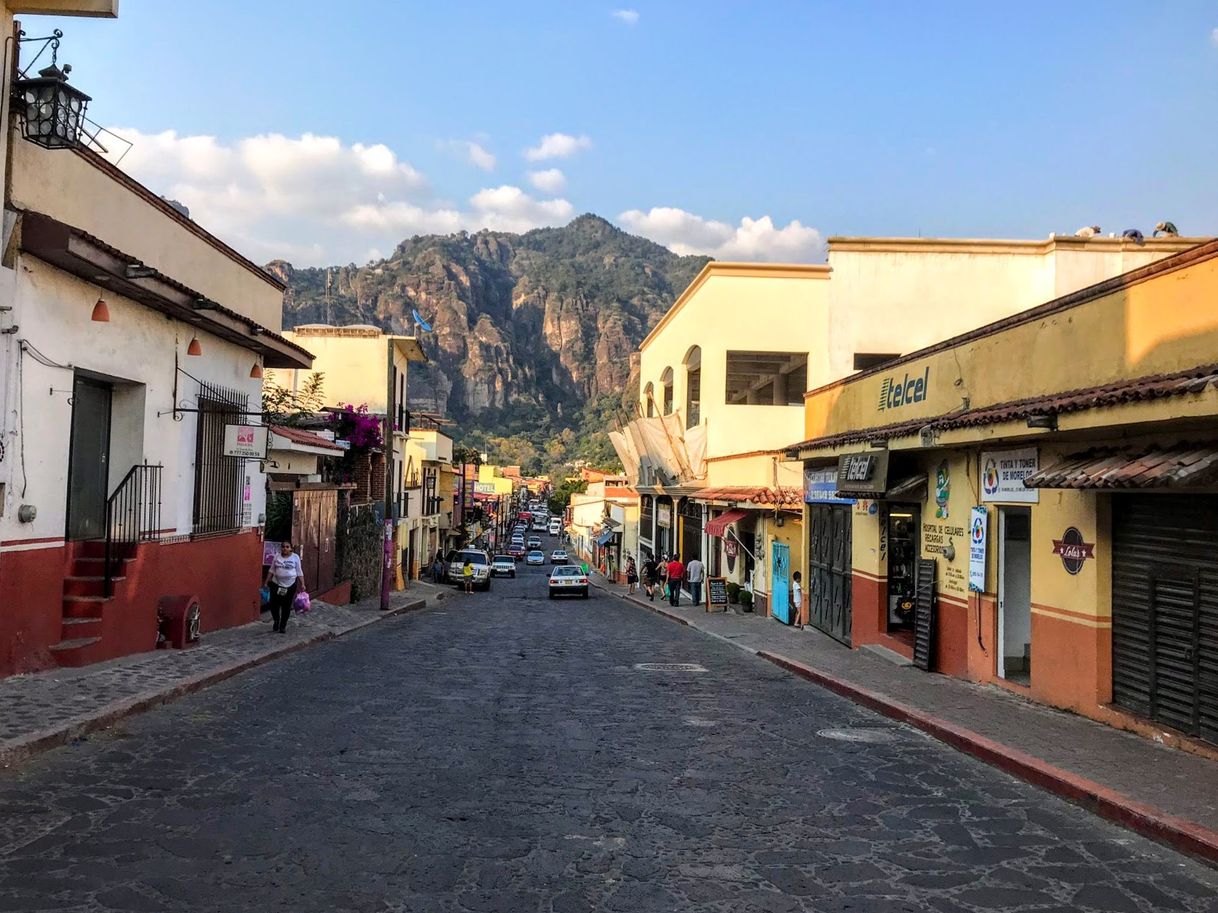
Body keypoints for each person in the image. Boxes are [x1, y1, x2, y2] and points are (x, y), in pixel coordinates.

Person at [264, 540, 303, 634]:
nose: (284, 548)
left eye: (287, 547)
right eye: (283, 547)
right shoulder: (277, 556)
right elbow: (272, 569)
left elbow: (299, 571)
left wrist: (303, 584)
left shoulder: (295, 557)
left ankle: (283, 625)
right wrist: (266, 582)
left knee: (286, 606)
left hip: (290, 585)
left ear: (291, 548)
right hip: (276, 584)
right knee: (274, 605)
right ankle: (276, 621)